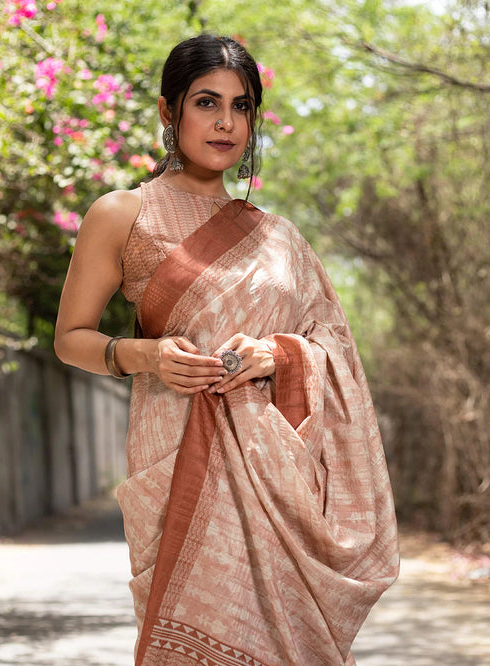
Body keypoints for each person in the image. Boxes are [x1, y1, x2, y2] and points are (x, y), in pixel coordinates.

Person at [54, 34, 399, 666]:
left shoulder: (281, 239)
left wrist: (281, 356)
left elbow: (335, 348)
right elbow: (71, 338)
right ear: (169, 111)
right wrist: (148, 355)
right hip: (174, 450)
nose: (225, 122)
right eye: (206, 102)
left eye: (241, 106)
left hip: (277, 470)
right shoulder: (123, 213)